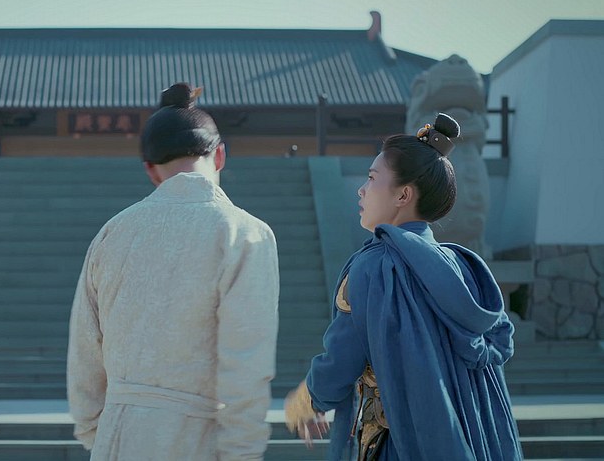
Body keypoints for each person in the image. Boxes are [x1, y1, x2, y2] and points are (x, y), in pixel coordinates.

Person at [284, 113, 523, 460]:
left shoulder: (375, 266)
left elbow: (343, 358)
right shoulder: (462, 266)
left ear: (403, 195)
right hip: (467, 436)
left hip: (404, 440)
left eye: (371, 178)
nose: (361, 189)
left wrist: (307, 400)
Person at [67, 82, 280, 460]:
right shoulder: (245, 233)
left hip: (117, 437)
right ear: (219, 155)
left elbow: (85, 351)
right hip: (199, 439)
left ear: (150, 170)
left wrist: (97, 432)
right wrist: (242, 451)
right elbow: (247, 360)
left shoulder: (112, 233)